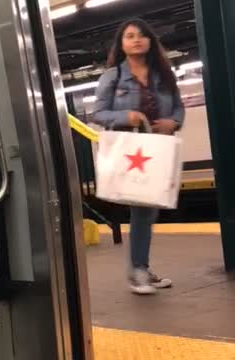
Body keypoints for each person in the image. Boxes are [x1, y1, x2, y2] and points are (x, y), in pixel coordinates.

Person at [92, 19, 185, 295]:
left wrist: (173, 122)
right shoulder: (112, 77)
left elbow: (178, 108)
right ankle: (138, 272)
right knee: (143, 211)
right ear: (121, 43)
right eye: (130, 36)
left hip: (157, 150)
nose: (137, 40)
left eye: (142, 35)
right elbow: (98, 113)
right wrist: (126, 116)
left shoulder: (164, 75)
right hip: (129, 150)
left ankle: (142, 267)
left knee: (149, 209)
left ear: (150, 41)